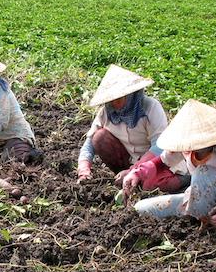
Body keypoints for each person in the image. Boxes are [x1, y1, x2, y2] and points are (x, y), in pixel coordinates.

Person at [126, 99, 216, 227]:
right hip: (196, 201)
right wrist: (137, 173)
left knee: (203, 172)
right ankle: (196, 217)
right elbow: (162, 162)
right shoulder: (188, 146)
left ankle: (205, 221)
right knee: (141, 209)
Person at [77, 65, 184, 194]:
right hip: (131, 161)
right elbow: (89, 144)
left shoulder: (150, 107)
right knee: (100, 137)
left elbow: (159, 147)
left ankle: (184, 180)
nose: (114, 102)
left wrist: (135, 170)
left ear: (130, 94)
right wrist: (84, 171)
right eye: (110, 99)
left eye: (118, 97)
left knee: (150, 185)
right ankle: (127, 178)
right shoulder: (106, 113)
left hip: (159, 163)